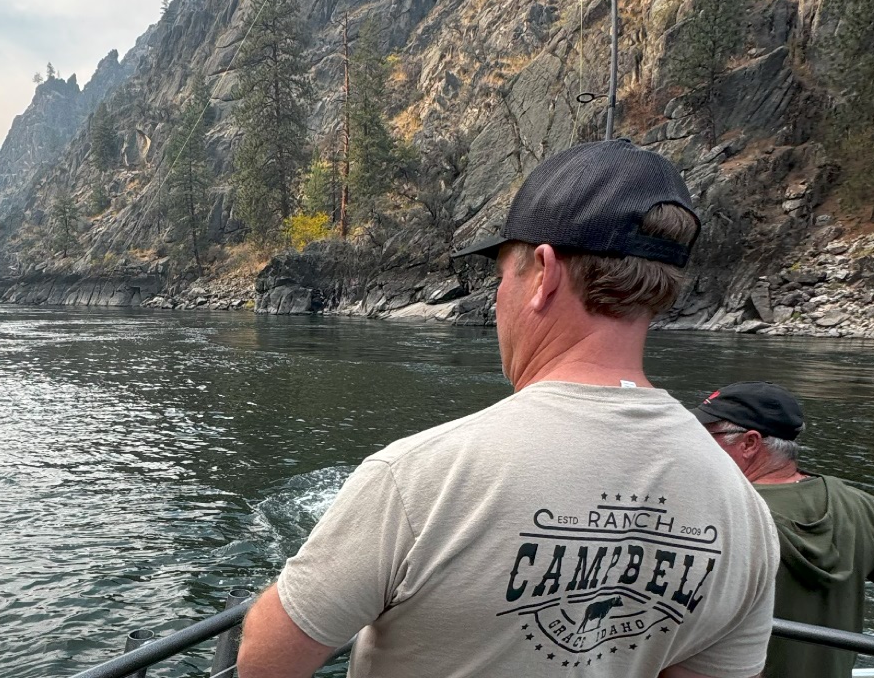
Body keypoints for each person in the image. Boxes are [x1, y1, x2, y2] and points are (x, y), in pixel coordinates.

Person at [237, 139, 780, 678]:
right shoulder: (743, 511)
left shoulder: (418, 477)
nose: (498, 299)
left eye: (502, 277)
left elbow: (266, 660)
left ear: (544, 274)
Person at [695, 380, 874, 678]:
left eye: (704, 436)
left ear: (749, 443)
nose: (695, 446)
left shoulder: (716, 513)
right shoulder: (861, 507)